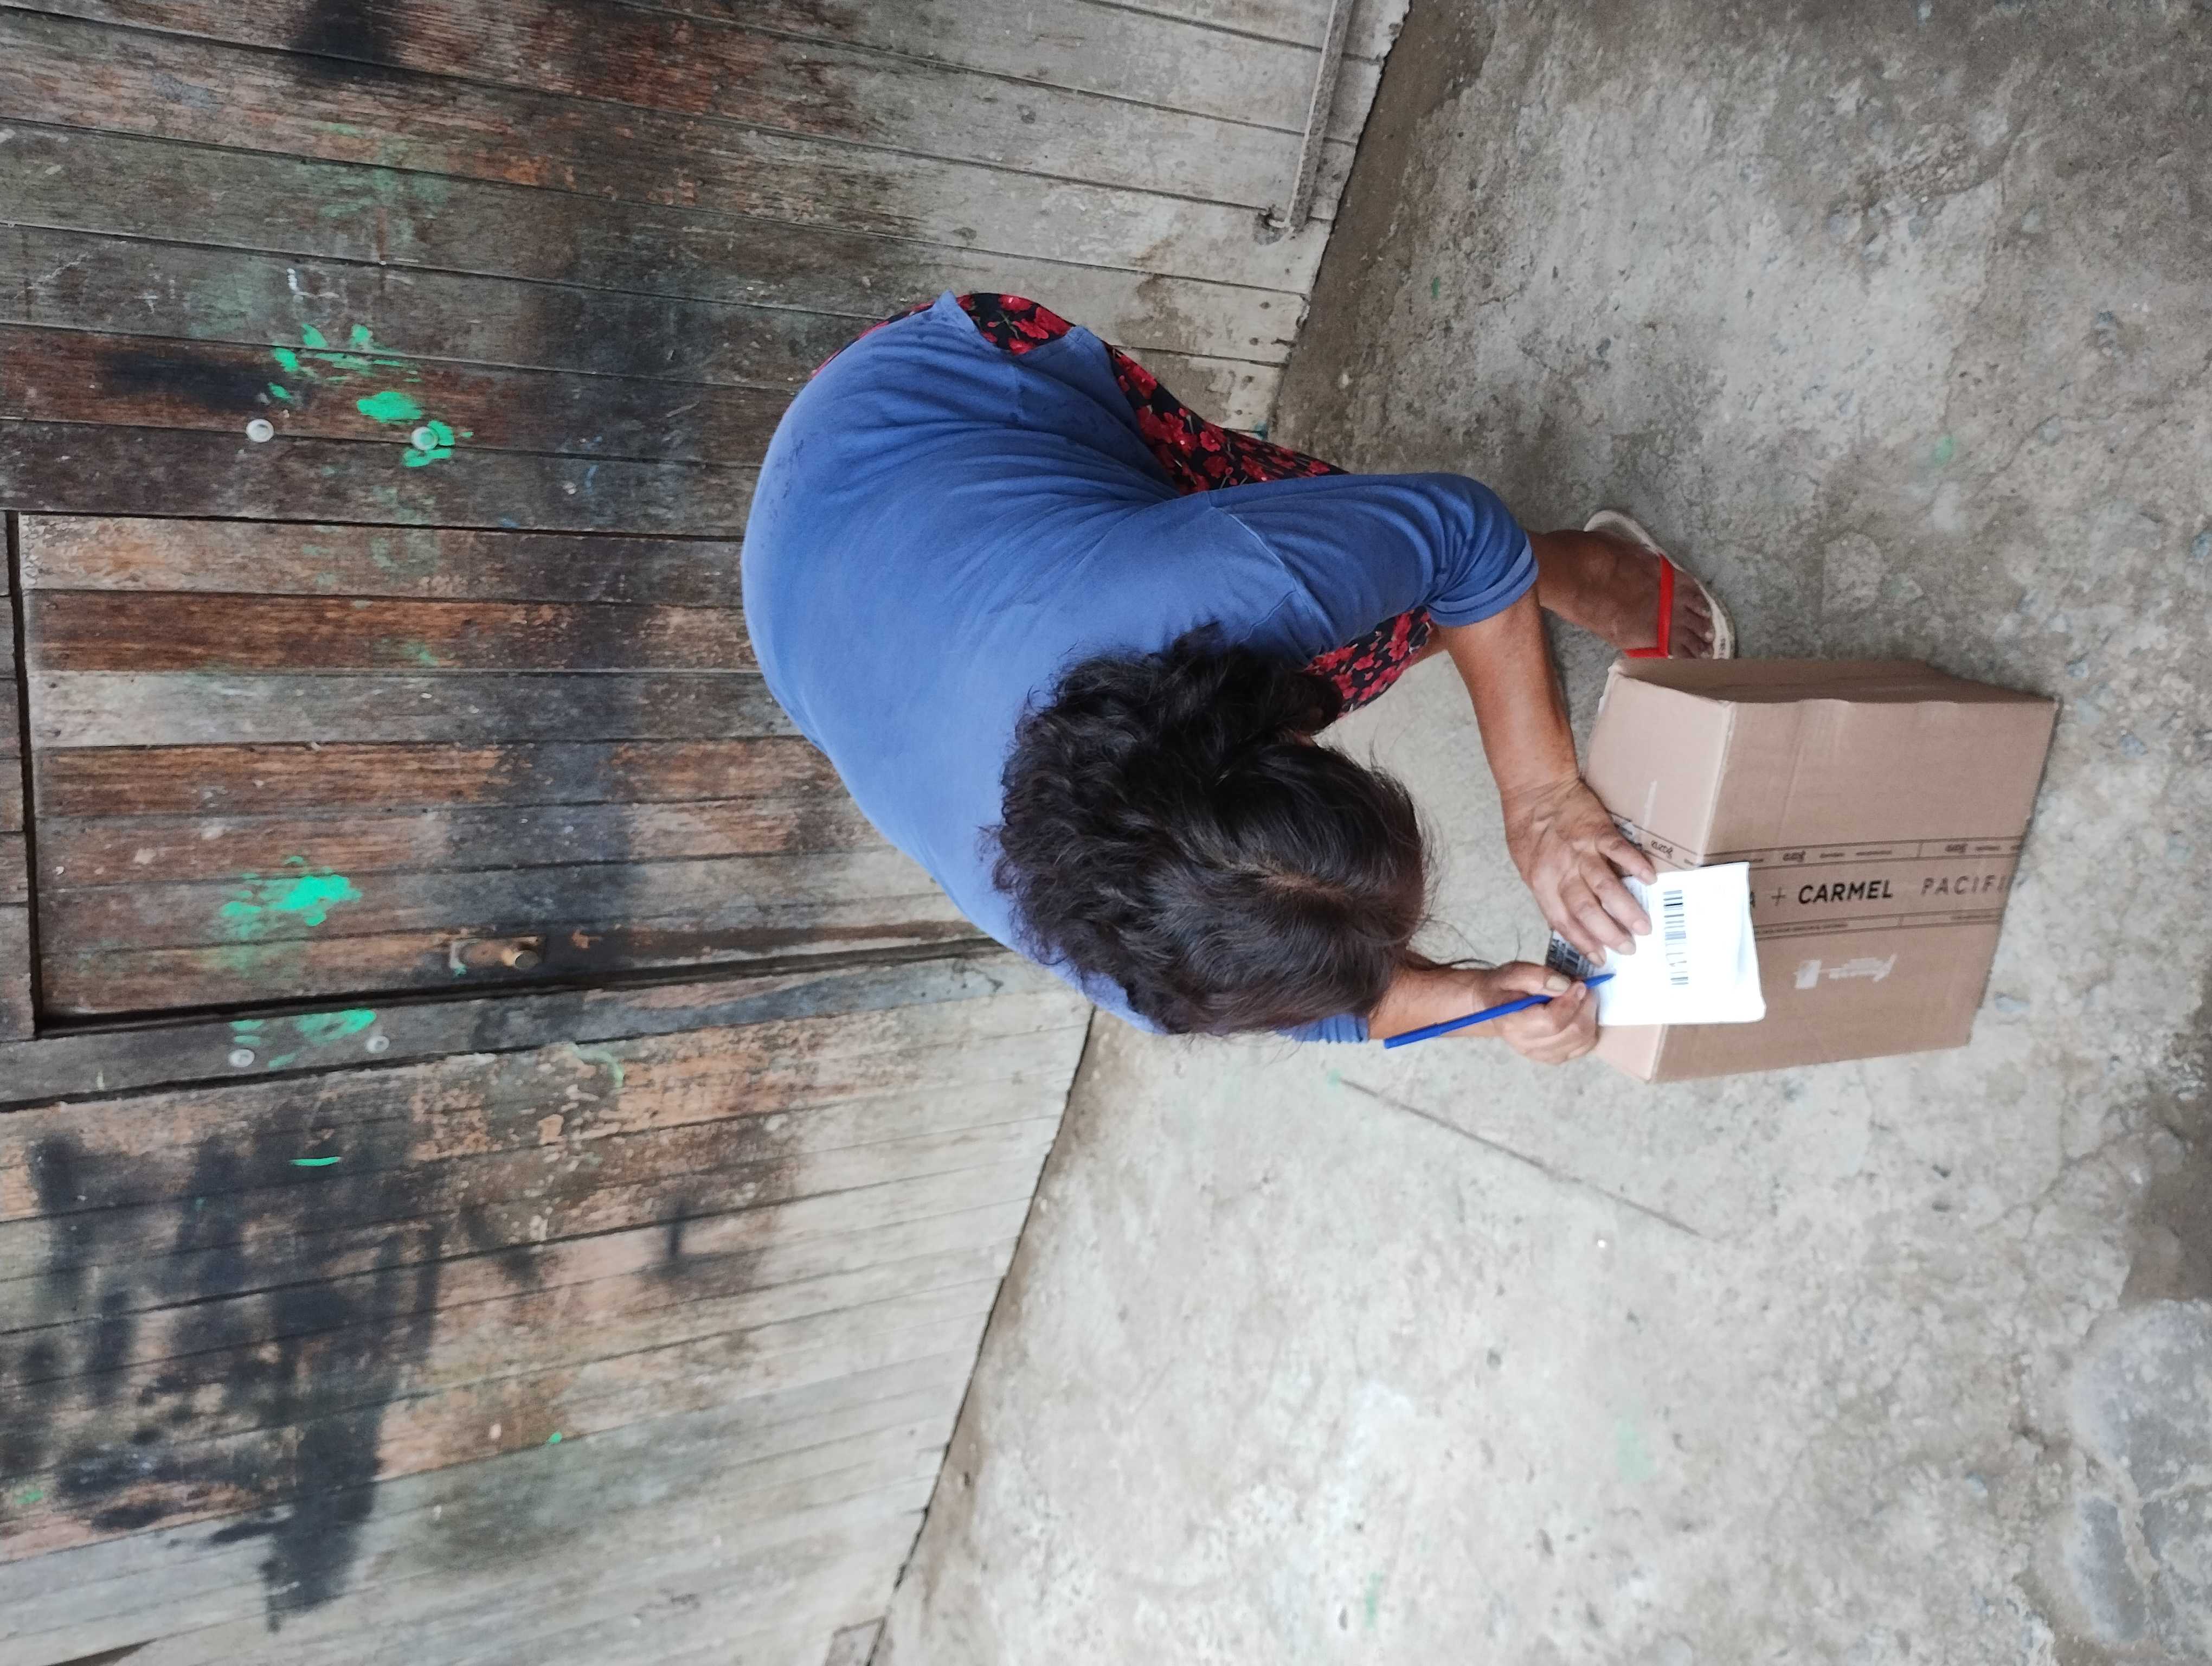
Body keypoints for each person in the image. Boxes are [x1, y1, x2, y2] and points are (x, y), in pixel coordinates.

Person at [742, 294, 1736, 1062]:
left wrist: (1542, 799)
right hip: (811, 637)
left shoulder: (1217, 587)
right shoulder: (1122, 955)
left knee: (1371, 606)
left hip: (923, 394)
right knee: (1355, 629)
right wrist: (1474, 1003)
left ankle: (1580, 567)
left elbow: (1459, 530)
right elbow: (1304, 1000)